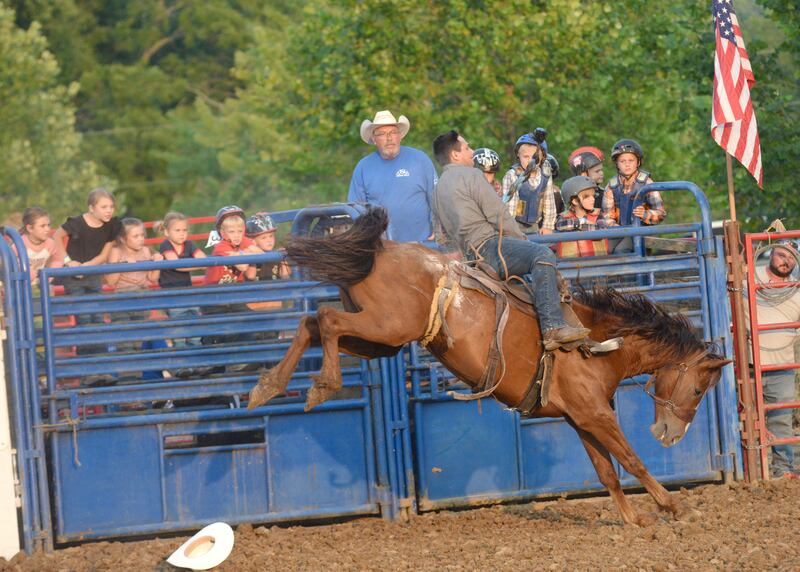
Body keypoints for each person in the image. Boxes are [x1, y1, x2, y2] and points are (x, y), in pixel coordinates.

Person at [431, 129, 591, 351]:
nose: (471, 151)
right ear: (455, 155)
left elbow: (441, 235)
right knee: (543, 254)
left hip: (469, 258)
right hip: (490, 247)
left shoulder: (437, 189)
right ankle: (553, 327)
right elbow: (498, 214)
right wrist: (524, 241)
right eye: (466, 148)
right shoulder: (472, 175)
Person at [747, 241, 800, 479]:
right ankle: (747, 469)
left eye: (791, 257)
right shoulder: (750, 277)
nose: (785, 261)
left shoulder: (797, 288)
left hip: (782, 364)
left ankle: (783, 469)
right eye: (781, 255)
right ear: (771, 254)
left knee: (781, 419)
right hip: (749, 362)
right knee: (746, 417)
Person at [348, 110, 438, 243]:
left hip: (423, 244)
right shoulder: (363, 167)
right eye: (382, 134)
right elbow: (356, 209)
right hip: (383, 249)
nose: (389, 138)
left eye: (393, 132)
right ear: (374, 139)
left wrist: (438, 226)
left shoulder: (420, 159)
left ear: (400, 136)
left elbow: (437, 197)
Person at [53, 188, 122, 358]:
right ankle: (87, 365)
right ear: (91, 208)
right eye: (104, 207)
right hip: (73, 276)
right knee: (83, 318)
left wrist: (86, 267)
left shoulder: (112, 226)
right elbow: (56, 236)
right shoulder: (77, 223)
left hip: (93, 273)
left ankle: (100, 362)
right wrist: (69, 262)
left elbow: (104, 255)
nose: (109, 211)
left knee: (98, 317)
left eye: (111, 207)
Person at [104, 218, 163, 352]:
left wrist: (157, 264)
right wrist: (122, 265)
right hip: (122, 298)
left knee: (140, 336)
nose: (140, 239)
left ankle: (140, 369)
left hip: (142, 296)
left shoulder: (146, 251)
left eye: (142, 235)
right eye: (135, 236)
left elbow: (153, 278)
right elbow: (111, 281)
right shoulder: (117, 251)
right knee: (124, 337)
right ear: (124, 239)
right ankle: (128, 370)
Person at [156, 211, 207, 361]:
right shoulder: (165, 245)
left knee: (194, 329)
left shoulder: (189, 245)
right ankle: (182, 364)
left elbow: (203, 259)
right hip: (172, 294)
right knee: (178, 332)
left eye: (184, 230)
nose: (182, 234)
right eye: (177, 230)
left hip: (187, 292)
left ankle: (197, 362)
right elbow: (176, 264)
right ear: (166, 232)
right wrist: (197, 265)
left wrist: (197, 263)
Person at [501, 129, 557, 234]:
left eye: (535, 157)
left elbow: (549, 201)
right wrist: (510, 230)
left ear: (543, 157)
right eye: (526, 156)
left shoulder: (545, 175)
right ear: (518, 155)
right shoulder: (513, 175)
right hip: (515, 224)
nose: (530, 161)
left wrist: (548, 226)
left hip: (534, 224)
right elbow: (509, 207)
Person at [555, 176, 609, 258]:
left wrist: (577, 226)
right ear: (575, 201)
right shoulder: (563, 217)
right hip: (571, 266)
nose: (593, 199)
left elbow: (602, 231)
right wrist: (581, 222)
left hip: (596, 264)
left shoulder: (598, 214)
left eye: (593, 195)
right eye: (587, 197)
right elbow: (559, 226)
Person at [204, 206, 257, 285]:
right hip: (214, 291)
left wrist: (241, 253)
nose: (237, 235)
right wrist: (247, 253)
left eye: (240, 231)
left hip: (233, 288)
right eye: (232, 232)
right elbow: (243, 266)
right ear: (222, 233)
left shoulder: (242, 240)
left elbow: (260, 254)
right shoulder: (221, 246)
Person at [18, 206, 63, 286]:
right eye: (42, 226)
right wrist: (25, 272)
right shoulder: (19, 244)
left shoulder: (51, 244)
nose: (47, 229)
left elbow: (58, 260)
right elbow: (7, 264)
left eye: (48, 225)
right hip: (19, 285)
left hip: (40, 283)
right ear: (30, 228)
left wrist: (48, 276)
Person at [244, 213, 290, 283]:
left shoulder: (276, 255)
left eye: (271, 236)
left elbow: (285, 275)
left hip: (275, 291)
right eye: (263, 238)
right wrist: (252, 257)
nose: (269, 240)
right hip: (257, 292)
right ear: (253, 241)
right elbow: (251, 276)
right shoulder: (249, 256)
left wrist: (282, 258)